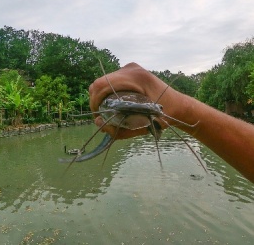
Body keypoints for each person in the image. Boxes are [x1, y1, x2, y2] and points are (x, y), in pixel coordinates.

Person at [89, 62, 254, 183]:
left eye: (157, 108)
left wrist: (182, 109)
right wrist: (185, 110)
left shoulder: (153, 113)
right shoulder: (111, 113)